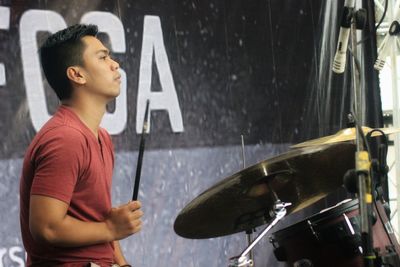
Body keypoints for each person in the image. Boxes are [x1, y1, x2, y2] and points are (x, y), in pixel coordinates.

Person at [19, 24, 142, 267]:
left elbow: (98, 219)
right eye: (103, 57)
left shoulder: (101, 137)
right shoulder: (66, 138)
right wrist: (110, 227)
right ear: (77, 75)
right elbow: (46, 228)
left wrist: (121, 262)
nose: (115, 64)